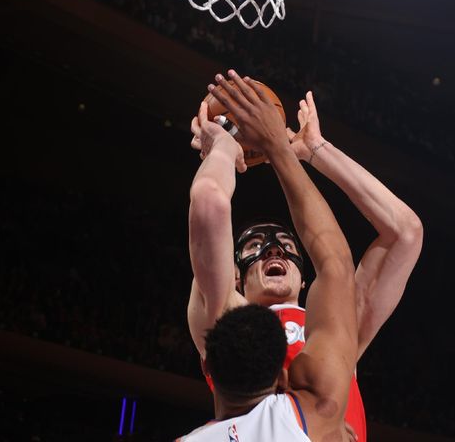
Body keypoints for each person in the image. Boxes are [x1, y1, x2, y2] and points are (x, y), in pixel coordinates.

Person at [187, 70, 424, 440]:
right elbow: (210, 213)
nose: (273, 249)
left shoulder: (338, 316)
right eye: (254, 246)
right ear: (235, 275)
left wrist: (314, 150)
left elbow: (405, 234)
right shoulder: (224, 315)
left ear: (305, 277)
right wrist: (238, 148)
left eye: (286, 244)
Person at [178, 72, 358, 441]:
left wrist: (222, 151)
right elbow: (337, 264)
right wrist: (277, 146)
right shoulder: (313, 413)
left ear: (206, 362)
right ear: (283, 374)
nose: (273, 249)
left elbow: (209, 204)